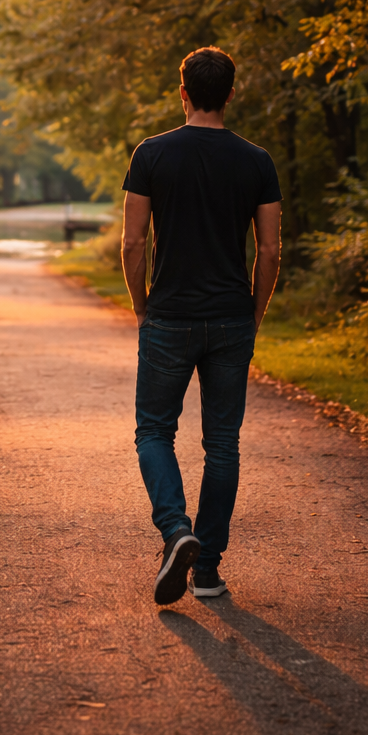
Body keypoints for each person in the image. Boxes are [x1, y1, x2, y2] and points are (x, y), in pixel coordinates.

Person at [121, 47, 282, 606]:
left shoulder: (152, 154)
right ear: (231, 93)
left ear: (182, 91)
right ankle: (207, 570)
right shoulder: (257, 161)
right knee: (223, 446)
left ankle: (176, 531)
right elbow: (268, 249)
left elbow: (134, 241)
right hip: (232, 318)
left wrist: (142, 306)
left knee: (153, 432)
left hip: (170, 316)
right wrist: (254, 313)